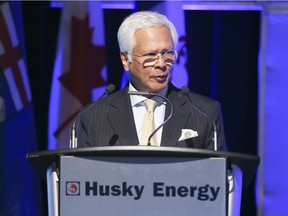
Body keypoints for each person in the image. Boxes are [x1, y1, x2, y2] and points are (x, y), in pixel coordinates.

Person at [76, 11, 227, 151]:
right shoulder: (93, 116)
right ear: (125, 59)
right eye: (150, 55)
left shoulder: (204, 113)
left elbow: (219, 174)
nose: (161, 64)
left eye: (168, 53)